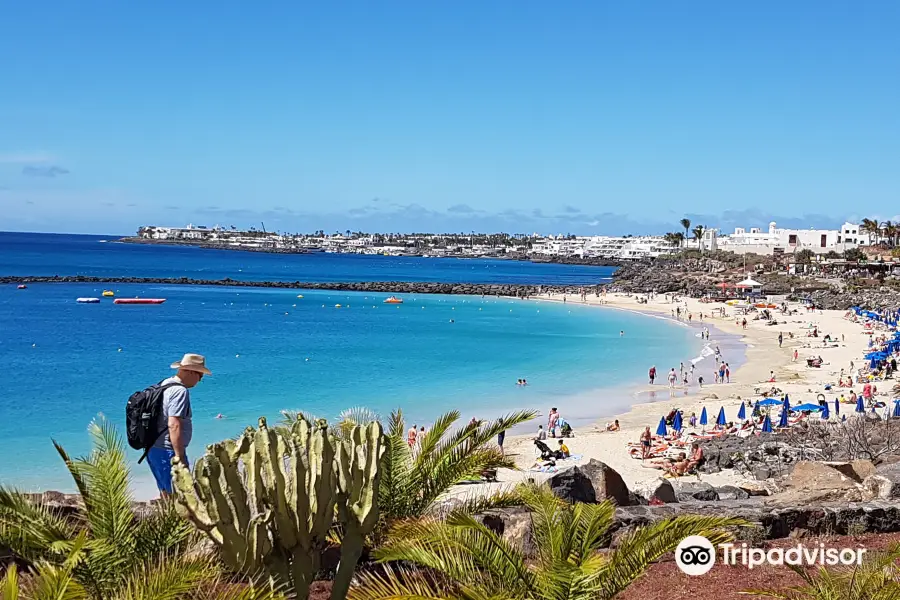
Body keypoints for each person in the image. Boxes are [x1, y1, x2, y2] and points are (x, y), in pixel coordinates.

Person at [147, 353, 210, 497]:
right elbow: (173, 424)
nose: (200, 380)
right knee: (181, 496)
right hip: (167, 450)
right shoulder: (180, 391)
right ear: (190, 372)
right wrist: (179, 456)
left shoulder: (165, 383)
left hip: (153, 448)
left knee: (166, 492)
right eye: (200, 375)